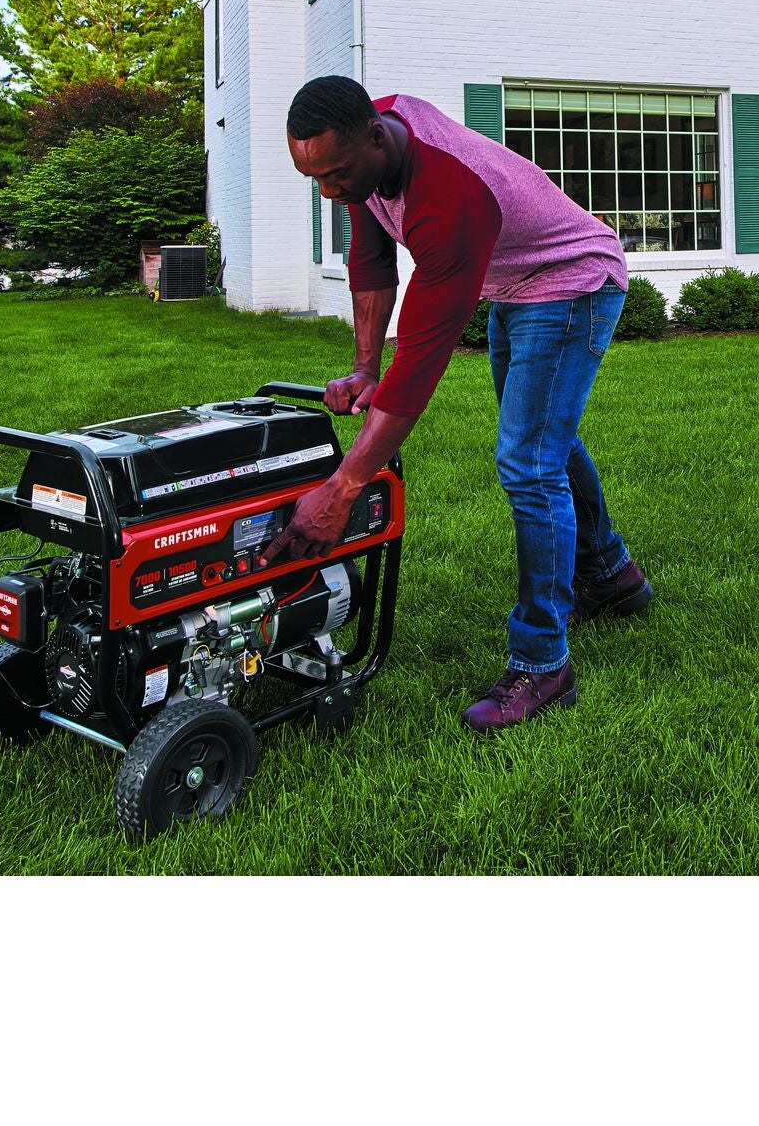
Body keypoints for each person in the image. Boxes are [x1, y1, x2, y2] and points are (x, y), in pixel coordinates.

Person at [272, 76, 653, 731]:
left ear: (372, 139)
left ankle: (542, 664)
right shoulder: (369, 144)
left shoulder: (446, 198)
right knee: (543, 441)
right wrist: (365, 366)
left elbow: (421, 362)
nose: (328, 191)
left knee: (528, 461)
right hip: (514, 281)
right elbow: (369, 260)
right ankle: (611, 574)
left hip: (570, 281)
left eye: (334, 174)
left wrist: (345, 488)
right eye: (315, 178)